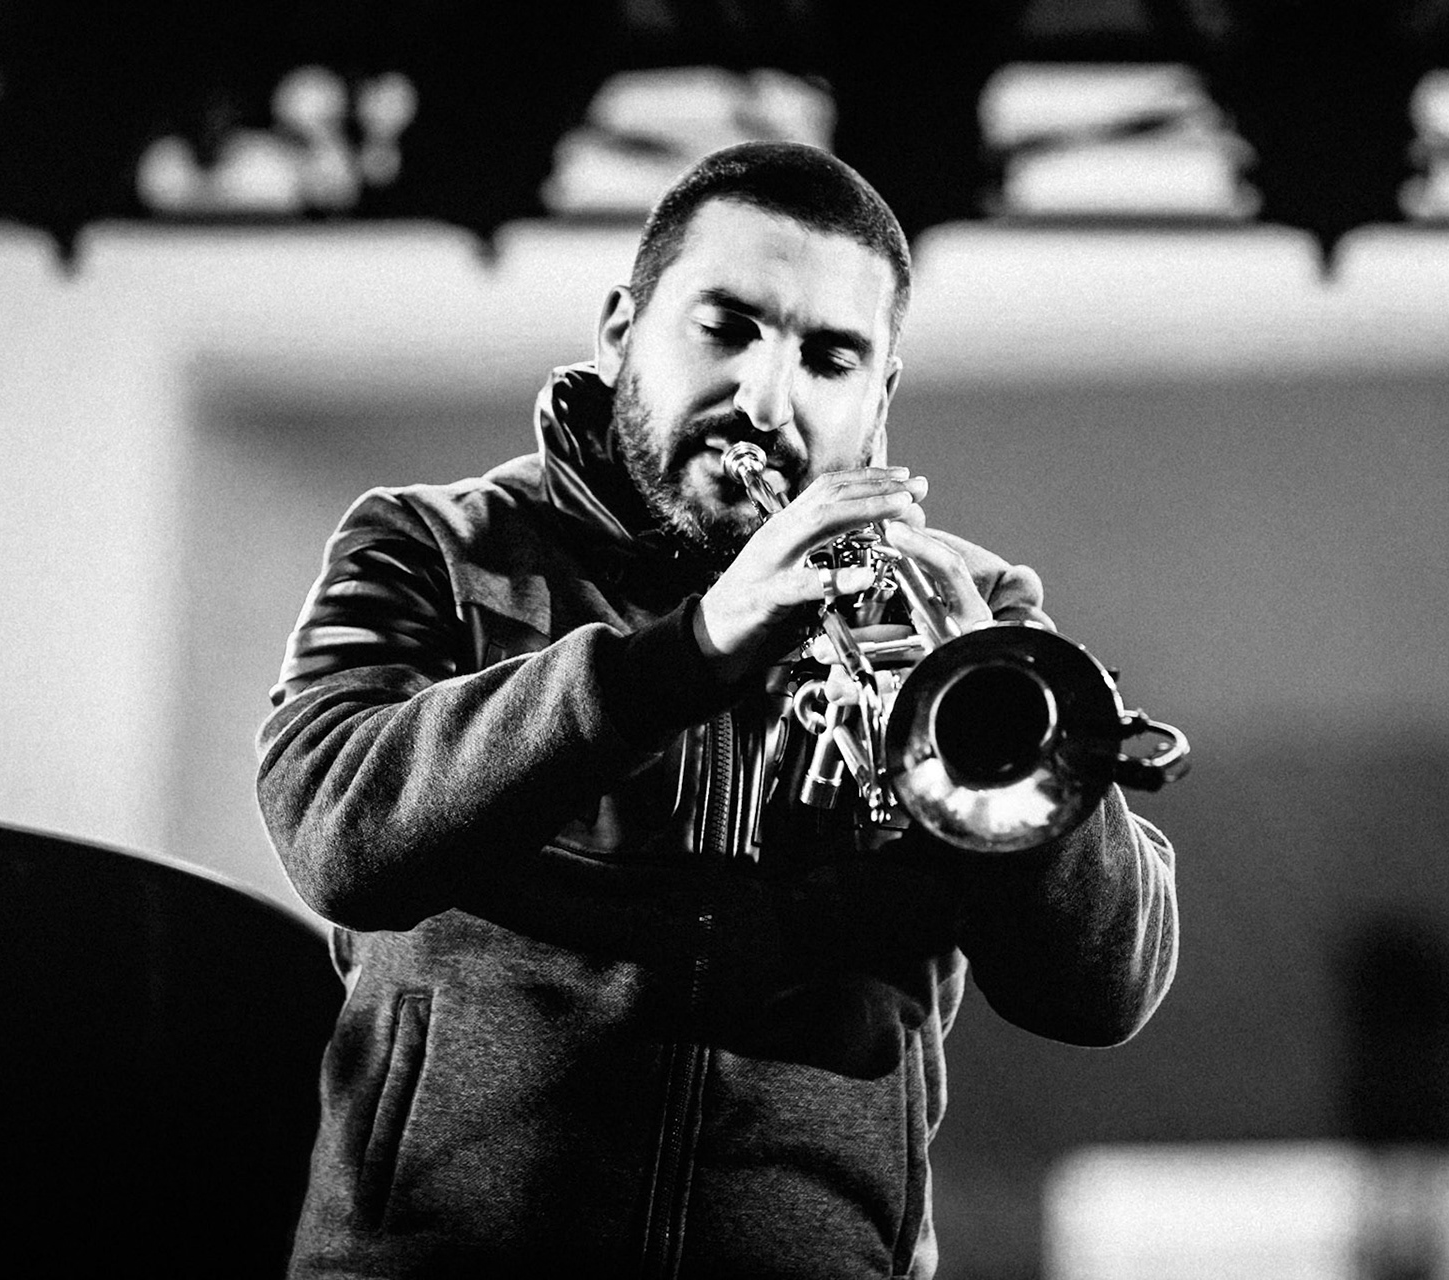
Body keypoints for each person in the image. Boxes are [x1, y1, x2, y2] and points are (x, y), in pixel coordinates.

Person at [257, 140, 1178, 1279]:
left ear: (879, 398)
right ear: (619, 331)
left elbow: (1103, 989)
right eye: (726, 327)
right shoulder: (434, 547)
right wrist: (683, 655)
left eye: (829, 357)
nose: (765, 398)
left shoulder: (972, 605)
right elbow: (336, 830)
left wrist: (1014, 735)